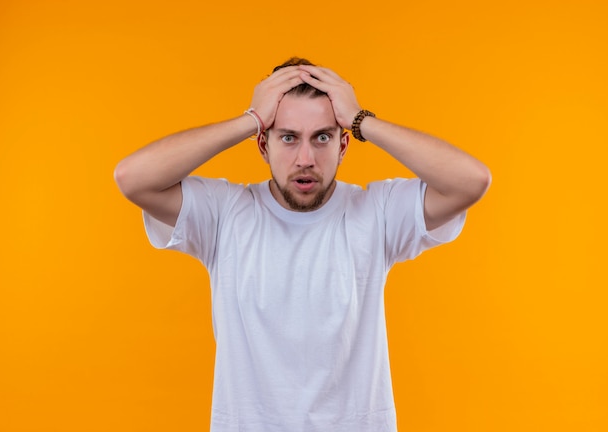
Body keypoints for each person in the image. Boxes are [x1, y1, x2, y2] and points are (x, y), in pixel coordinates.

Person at [114, 57, 491, 432]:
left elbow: (471, 181)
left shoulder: (376, 212)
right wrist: (250, 119)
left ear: (344, 145)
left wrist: (361, 120)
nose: (305, 159)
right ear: (263, 145)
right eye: (288, 137)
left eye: (322, 137)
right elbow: (133, 178)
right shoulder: (224, 214)